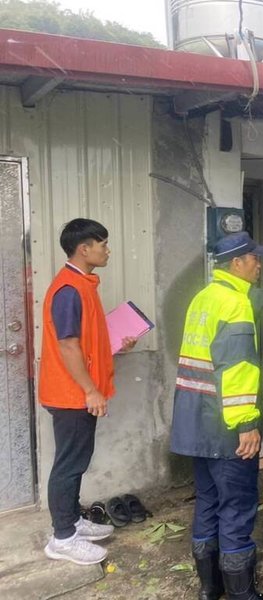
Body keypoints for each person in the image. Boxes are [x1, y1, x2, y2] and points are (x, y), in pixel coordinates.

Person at [170, 232, 263, 600]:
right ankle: (241, 595)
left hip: (195, 422)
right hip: (225, 425)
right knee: (236, 508)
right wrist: (247, 424)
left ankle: (210, 589)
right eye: (253, 258)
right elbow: (236, 368)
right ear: (236, 263)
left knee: (207, 501)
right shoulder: (236, 303)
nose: (259, 264)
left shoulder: (202, 299)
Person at [39, 218, 136, 565]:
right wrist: (90, 390)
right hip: (71, 394)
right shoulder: (69, 289)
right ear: (84, 248)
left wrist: (115, 346)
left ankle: (72, 522)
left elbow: (84, 341)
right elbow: (67, 346)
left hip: (77, 392)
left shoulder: (83, 285)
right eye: (103, 244)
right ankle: (62, 538)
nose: (107, 250)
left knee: (76, 461)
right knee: (69, 464)